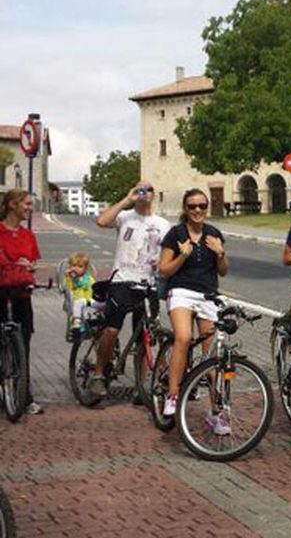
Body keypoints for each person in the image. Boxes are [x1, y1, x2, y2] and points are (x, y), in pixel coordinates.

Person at [91, 181, 171, 399]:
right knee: (112, 330)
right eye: (140, 189)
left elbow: (169, 252)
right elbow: (101, 221)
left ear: (154, 194)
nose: (144, 193)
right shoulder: (125, 216)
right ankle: (98, 374)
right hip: (122, 281)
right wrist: (128, 199)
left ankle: (140, 385)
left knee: (145, 336)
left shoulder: (163, 224)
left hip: (149, 284)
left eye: (149, 189)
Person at [157, 189, 228, 428]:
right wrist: (182, 256)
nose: (197, 210)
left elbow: (223, 271)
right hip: (181, 292)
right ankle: (173, 395)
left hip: (208, 294)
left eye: (202, 206)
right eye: (192, 206)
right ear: (185, 209)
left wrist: (220, 253)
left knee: (212, 352)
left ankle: (216, 410)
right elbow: (163, 270)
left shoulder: (214, 234)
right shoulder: (175, 234)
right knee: (184, 337)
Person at [0, 189, 42, 415]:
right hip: (1, 290)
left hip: (21, 293)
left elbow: (33, 261)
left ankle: (23, 394)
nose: (29, 208)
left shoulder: (28, 235)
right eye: (26, 204)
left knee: (23, 342)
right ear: (12, 205)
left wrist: (30, 266)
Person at [64, 251, 95, 341]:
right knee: (78, 303)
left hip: (89, 299)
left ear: (85, 268)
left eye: (80, 266)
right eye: (74, 266)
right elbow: (69, 287)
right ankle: (77, 322)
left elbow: (88, 285)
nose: (76, 268)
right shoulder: (70, 278)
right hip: (77, 300)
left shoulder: (88, 278)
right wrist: (68, 277)